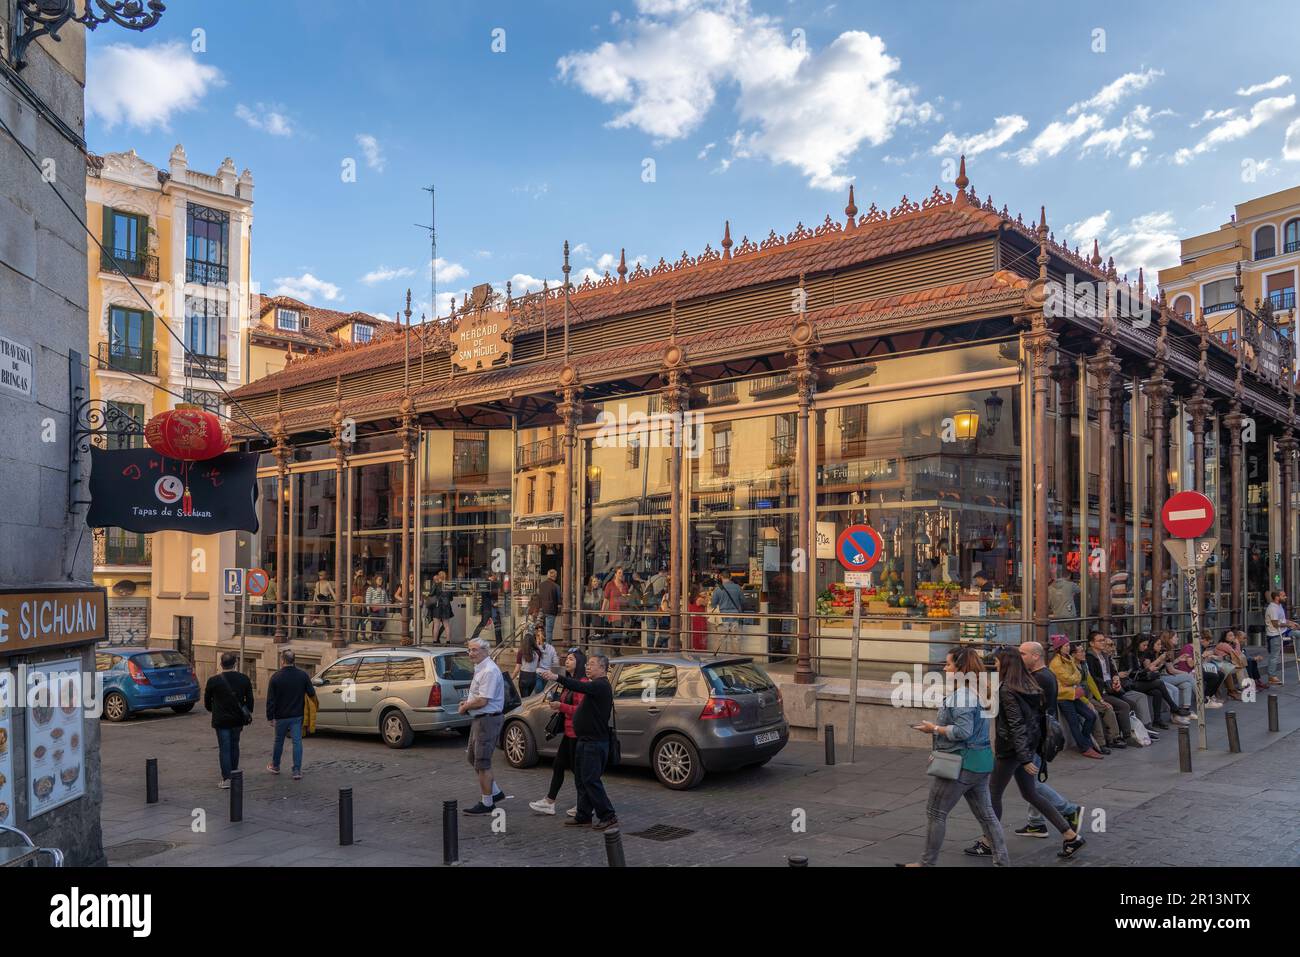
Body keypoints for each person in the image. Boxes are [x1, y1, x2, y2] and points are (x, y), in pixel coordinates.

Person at [899, 646, 1008, 867]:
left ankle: (926, 863)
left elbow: (962, 732)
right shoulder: (978, 691)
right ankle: (1002, 861)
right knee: (987, 815)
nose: (944, 667)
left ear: (960, 668)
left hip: (960, 763)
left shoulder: (962, 696)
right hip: (981, 761)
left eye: (948, 664)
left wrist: (935, 729)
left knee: (935, 813)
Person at [987, 648, 1086, 859]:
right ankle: (1071, 836)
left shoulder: (1008, 689)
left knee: (993, 793)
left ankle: (990, 842)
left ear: (1004, 665)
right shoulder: (1029, 685)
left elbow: (1016, 724)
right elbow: (1030, 720)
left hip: (1011, 750)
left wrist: (1024, 758)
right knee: (1030, 793)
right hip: (1027, 747)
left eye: (996, 663)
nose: (994, 666)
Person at [538, 653, 618, 831]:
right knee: (581, 779)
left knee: (591, 779)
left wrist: (556, 677)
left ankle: (608, 815)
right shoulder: (592, 685)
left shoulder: (601, 685)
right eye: (587, 664)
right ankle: (583, 814)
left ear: (603, 668)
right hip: (583, 739)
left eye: (592, 664)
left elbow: (577, 686)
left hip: (594, 742)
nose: (588, 667)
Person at [529, 649, 588, 818]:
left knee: (579, 772)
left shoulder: (582, 683)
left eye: (571, 659)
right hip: (569, 732)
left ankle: (584, 804)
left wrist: (560, 706)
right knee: (559, 765)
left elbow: (581, 710)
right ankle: (549, 802)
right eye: (566, 658)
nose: (567, 661)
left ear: (579, 663)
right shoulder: (569, 682)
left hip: (577, 734)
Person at [458, 637, 511, 814]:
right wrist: (467, 702)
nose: (471, 653)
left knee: (482, 762)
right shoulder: (481, 668)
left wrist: (466, 706)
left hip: (487, 719)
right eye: (469, 650)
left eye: (475, 650)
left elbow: (483, 700)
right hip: (480, 718)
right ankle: (495, 792)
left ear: (485, 651)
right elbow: (478, 696)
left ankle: (487, 803)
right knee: (472, 757)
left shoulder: (488, 670)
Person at [1048, 636, 1105, 758]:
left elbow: (1077, 675)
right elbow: (1069, 679)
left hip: (1074, 694)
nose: (1068, 648)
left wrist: (1074, 679)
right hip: (1063, 697)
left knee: (1091, 716)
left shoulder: (1069, 658)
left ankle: (1085, 741)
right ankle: (1085, 747)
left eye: (1068, 645)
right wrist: (1074, 679)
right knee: (1073, 722)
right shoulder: (1056, 663)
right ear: (1059, 648)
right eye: (1066, 646)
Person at [204, 651, 253, 789]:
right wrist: (247, 712)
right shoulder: (244, 679)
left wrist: (213, 710)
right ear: (235, 664)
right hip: (237, 719)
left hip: (221, 719)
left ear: (221, 664)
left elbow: (207, 701)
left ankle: (227, 778)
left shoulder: (213, 681)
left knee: (224, 748)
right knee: (234, 746)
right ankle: (234, 773)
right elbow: (250, 701)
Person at [266, 650, 317, 781]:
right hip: (297, 714)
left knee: (278, 741)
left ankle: (275, 766)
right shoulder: (303, 675)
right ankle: (296, 770)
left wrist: (270, 717)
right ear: (294, 660)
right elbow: (311, 693)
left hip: (281, 715)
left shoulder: (276, 677)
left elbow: (270, 700)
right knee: (297, 742)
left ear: (282, 660)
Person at [1085, 630, 1140, 747]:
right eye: (1100, 641)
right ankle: (1126, 736)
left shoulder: (1104, 655)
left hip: (1110, 688)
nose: (1103, 643)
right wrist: (1108, 684)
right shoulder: (1089, 657)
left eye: (1103, 640)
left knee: (1132, 703)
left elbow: (1113, 671)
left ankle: (1137, 731)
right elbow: (1094, 678)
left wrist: (1115, 678)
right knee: (1124, 706)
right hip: (1101, 692)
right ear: (1091, 643)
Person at [1129, 634, 1181, 728]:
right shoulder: (1130, 655)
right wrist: (1149, 669)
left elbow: (1145, 671)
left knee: (1157, 692)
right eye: (1143, 645)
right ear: (1137, 644)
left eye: (1146, 645)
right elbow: (1133, 674)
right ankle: (1174, 707)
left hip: (1141, 680)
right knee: (1159, 683)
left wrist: (1161, 662)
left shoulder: (1139, 654)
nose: (1145, 648)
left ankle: (1157, 720)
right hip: (1132, 683)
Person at [1155, 631, 1197, 718]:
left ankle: (1185, 710)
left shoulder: (1169, 649)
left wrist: (1178, 659)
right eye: (1175, 637)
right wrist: (1186, 673)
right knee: (1188, 677)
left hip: (1166, 676)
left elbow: (1168, 666)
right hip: (1162, 678)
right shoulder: (1165, 650)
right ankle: (1201, 698)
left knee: (1187, 684)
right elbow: (1171, 670)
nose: (1177, 638)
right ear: (1169, 639)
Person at [1263, 591, 1297, 688]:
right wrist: (1289, 624)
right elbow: (1275, 624)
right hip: (1275, 634)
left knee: (1298, 634)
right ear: (1277, 597)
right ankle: (1271, 676)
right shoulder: (1272, 608)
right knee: (1274, 655)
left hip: (1283, 631)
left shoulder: (1279, 606)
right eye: (1283, 596)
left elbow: (1283, 620)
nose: (1285, 597)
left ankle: (1298, 655)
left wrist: (1292, 623)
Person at [709, 569, 744, 654]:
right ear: (730, 577)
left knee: (722, 640)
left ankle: (722, 660)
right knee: (736, 640)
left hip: (723, 618)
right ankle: (736, 660)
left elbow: (713, 604)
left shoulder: (718, 589)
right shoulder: (738, 587)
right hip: (736, 617)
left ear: (721, 577)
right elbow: (743, 601)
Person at [602, 566, 630, 653]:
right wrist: (602, 611)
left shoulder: (625, 585)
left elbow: (627, 598)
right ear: (615, 574)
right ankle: (615, 651)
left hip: (623, 611)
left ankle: (617, 650)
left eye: (622, 573)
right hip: (614, 611)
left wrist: (626, 597)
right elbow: (606, 599)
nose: (621, 575)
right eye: (619, 573)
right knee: (616, 631)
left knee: (621, 632)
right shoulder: (610, 584)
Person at [1048, 568, 1081, 641]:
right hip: (1070, 615)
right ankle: (1071, 651)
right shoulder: (1071, 585)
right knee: (1071, 637)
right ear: (1069, 576)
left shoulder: (1049, 588)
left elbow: (1048, 603)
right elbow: (1080, 590)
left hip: (1057, 616)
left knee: (1061, 637)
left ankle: (1062, 651)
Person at [470, 573, 502, 642]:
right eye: (495, 576)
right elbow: (493, 595)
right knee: (497, 625)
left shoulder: (483, 584)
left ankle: (472, 639)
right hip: (493, 607)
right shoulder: (492, 584)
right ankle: (499, 643)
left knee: (482, 624)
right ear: (492, 576)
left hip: (486, 607)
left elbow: (484, 595)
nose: (495, 577)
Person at [426, 570, 455, 644]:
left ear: (439, 576)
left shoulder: (436, 585)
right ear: (445, 576)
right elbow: (451, 598)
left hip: (437, 607)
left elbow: (431, 594)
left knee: (436, 625)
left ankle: (435, 641)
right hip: (446, 607)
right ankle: (448, 641)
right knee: (447, 625)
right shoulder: (449, 585)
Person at [536, 567, 561, 646]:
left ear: (548, 576)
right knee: (549, 631)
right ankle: (548, 648)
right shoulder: (556, 586)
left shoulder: (541, 585)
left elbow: (538, 597)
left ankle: (540, 645)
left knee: (540, 629)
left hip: (541, 610)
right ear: (555, 576)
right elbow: (559, 599)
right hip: (551, 610)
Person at [515, 625, 543, 696]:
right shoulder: (538, 652)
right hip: (533, 677)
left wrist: (511, 678)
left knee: (524, 698)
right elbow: (537, 665)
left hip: (524, 677)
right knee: (528, 697)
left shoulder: (521, 652)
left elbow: (517, 669)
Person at [364, 574, 390, 641]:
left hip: (382, 608)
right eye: (379, 579)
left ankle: (376, 635)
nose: (380, 581)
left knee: (382, 622)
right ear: (375, 580)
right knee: (375, 622)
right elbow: (368, 599)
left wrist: (388, 607)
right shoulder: (370, 588)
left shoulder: (383, 589)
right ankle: (375, 636)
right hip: (373, 608)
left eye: (381, 579)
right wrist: (368, 608)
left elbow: (386, 599)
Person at [581, 575, 605, 646]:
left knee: (598, 632)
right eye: (594, 581)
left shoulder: (601, 590)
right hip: (586, 613)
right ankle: (586, 648)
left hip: (596, 613)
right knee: (586, 632)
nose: (595, 583)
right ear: (590, 582)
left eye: (597, 581)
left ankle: (597, 648)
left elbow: (603, 601)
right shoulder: (586, 590)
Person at [688, 585, 708, 651]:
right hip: (700, 619)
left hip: (694, 619)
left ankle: (695, 649)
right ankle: (701, 650)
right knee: (701, 636)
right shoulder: (699, 599)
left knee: (695, 636)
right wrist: (705, 596)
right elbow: (706, 603)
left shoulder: (690, 599)